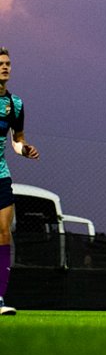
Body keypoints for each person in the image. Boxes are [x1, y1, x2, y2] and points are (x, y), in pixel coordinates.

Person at [0, 48, 40, 316]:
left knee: (4, 233)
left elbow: (17, 139)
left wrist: (23, 149)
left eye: (8, 63)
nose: (5, 67)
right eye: (0, 64)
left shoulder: (15, 104)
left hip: (1, 175)